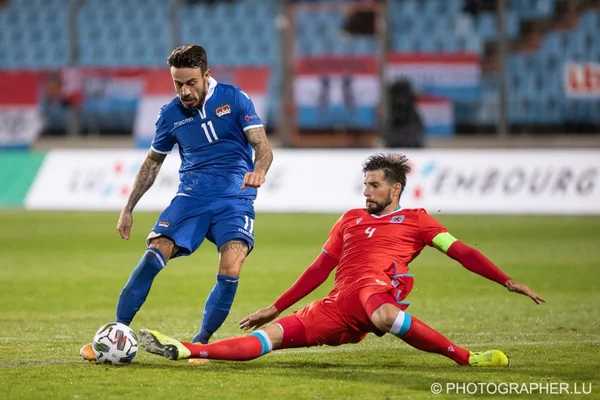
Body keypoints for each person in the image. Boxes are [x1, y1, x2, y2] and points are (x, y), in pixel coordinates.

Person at [137, 153, 544, 367]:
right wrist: (276, 307)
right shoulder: (349, 220)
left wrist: (506, 280)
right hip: (338, 305)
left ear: (396, 189)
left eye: (374, 185)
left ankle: (467, 358)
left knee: (384, 314)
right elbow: (319, 269)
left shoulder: (419, 221)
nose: (366, 191)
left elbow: (462, 252)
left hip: (376, 292)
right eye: (364, 184)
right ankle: (191, 350)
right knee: (269, 340)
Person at [80, 44, 273, 361]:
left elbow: (263, 147)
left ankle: (198, 345)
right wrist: (128, 209)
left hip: (235, 197)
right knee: (153, 254)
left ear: (206, 75)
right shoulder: (170, 115)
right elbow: (152, 164)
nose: (184, 91)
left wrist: (258, 171)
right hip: (191, 197)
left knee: (232, 266)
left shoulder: (235, 98)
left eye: (190, 83)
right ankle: (114, 335)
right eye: (178, 84)